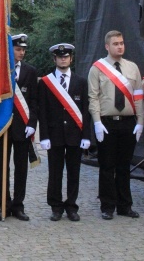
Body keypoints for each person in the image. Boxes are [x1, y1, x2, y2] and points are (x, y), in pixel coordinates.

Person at [87, 30, 144, 220]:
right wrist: (96, 121)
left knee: (124, 166)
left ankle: (124, 206)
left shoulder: (132, 68)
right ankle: (107, 206)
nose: (120, 46)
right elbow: (93, 97)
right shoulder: (97, 68)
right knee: (107, 166)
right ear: (107, 46)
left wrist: (140, 121)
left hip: (128, 123)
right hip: (107, 123)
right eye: (115, 43)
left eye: (122, 43)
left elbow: (138, 96)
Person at [38, 43, 91, 222]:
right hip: (54, 135)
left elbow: (85, 111)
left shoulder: (81, 82)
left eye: (66, 56)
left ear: (71, 59)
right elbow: (42, 111)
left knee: (74, 172)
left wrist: (86, 136)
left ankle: (71, 206)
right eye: (60, 56)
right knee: (55, 172)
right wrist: (43, 136)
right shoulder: (46, 83)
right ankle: (56, 207)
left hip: (75, 135)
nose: (63, 59)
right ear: (54, 59)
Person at [0, 34, 37, 221]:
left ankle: (18, 206)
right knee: (2, 168)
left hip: (22, 128)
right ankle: (3, 205)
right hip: (2, 126)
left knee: (21, 168)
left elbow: (34, 101)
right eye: (18, 49)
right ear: (10, 50)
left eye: (23, 49)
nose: (21, 52)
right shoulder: (0, 71)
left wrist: (32, 124)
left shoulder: (30, 71)